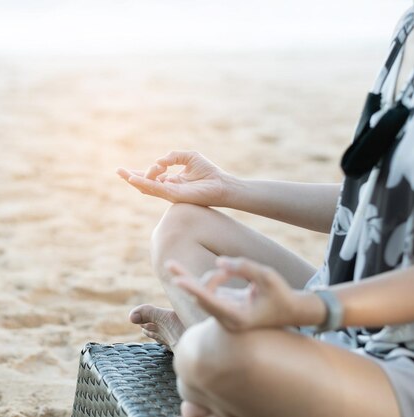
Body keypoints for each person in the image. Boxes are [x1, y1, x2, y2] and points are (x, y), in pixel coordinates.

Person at [117, 6, 414, 417]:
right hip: (347, 308)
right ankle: (220, 364)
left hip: (401, 364)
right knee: (182, 224)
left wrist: (307, 308)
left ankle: (197, 350)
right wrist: (229, 190)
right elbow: (374, 211)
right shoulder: (408, 31)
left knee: (210, 355)